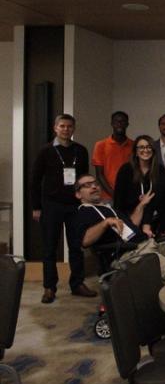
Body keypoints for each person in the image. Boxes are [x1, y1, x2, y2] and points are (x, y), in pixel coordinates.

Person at [74, 174, 165, 283]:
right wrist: (106, 222)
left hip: (147, 244)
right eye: (87, 185)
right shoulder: (84, 212)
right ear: (78, 194)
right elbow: (85, 241)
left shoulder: (108, 208)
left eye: (95, 184)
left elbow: (132, 223)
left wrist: (141, 205)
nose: (94, 187)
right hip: (129, 253)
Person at [30, 114, 93, 303]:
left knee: (76, 246)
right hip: (51, 205)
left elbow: (83, 179)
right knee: (49, 247)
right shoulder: (46, 151)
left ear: (74, 129)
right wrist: (36, 207)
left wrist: (86, 201)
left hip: (74, 206)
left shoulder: (80, 151)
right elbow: (34, 180)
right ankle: (49, 287)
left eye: (69, 126)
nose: (66, 129)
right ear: (55, 128)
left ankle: (78, 283)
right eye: (62, 126)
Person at [114, 135, 160, 218]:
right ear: (135, 151)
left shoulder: (160, 169)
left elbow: (162, 196)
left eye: (149, 147)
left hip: (153, 218)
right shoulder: (126, 170)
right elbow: (119, 199)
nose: (145, 150)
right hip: (130, 217)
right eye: (141, 147)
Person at [92, 110, 133, 200]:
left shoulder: (134, 145)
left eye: (122, 121)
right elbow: (99, 174)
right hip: (108, 196)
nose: (119, 124)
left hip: (129, 195)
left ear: (127, 124)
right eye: (116, 121)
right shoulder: (100, 145)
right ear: (112, 123)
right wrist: (114, 194)